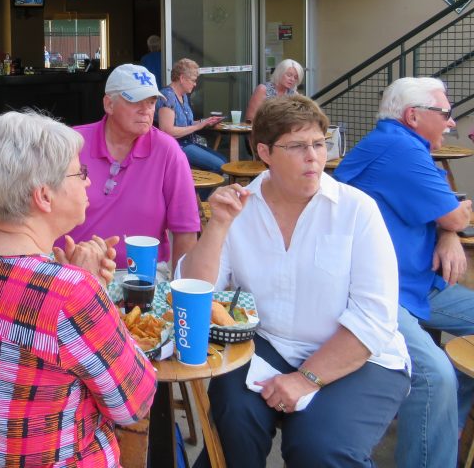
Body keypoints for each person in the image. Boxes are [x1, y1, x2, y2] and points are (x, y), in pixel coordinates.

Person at [179, 95, 410, 468]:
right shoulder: (240, 208)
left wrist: (306, 378)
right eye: (298, 146)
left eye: (320, 144)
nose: (315, 157)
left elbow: (374, 319)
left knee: (320, 448)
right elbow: (194, 291)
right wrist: (218, 226)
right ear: (265, 152)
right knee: (232, 421)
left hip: (359, 357)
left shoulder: (356, 210)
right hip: (269, 346)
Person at [0, 109, 156, 467]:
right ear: (44, 197)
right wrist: (88, 286)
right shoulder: (72, 295)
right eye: (81, 173)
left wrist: (70, 281)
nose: (88, 182)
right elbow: (135, 402)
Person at [334, 77, 474, 468]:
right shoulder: (399, 147)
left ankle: (444, 425)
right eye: (445, 113)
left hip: (416, 282)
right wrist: (451, 224)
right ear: (413, 116)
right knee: (435, 377)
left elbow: (452, 213)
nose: (451, 122)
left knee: (445, 376)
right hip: (375, 291)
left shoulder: (402, 144)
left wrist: (449, 232)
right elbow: (456, 211)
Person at [62, 64, 199, 274]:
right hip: (73, 271)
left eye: (152, 102)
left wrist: (179, 289)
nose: (146, 110)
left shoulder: (167, 151)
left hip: (143, 276)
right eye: (135, 101)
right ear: (109, 104)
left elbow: (186, 230)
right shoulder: (72, 143)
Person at [157, 58, 226, 173]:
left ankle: (196, 190)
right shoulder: (167, 96)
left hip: (188, 142)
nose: (195, 84)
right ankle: (195, 191)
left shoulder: (183, 95)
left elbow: (186, 124)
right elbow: (167, 131)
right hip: (176, 146)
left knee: (222, 160)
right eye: (193, 80)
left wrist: (205, 122)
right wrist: (198, 126)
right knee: (219, 165)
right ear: (182, 78)